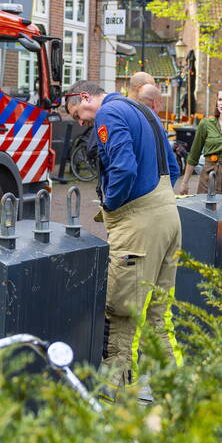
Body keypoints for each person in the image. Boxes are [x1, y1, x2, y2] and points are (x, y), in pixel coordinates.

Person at [63, 80, 181, 399]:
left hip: (138, 223)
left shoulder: (109, 113)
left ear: (84, 97)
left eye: (77, 113)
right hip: (168, 215)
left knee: (121, 313)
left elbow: (124, 169)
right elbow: (173, 167)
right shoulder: (143, 110)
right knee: (159, 313)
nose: (81, 122)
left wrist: (111, 207)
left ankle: (114, 396)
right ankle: (172, 390)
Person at [177, 87, 222, 195]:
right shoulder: (205, 124)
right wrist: (184, 182)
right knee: (206, 209)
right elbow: (193, 156)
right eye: (219, 100)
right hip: (208, 176)